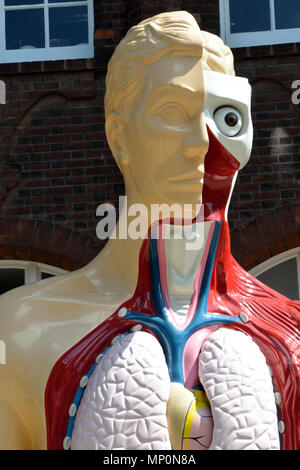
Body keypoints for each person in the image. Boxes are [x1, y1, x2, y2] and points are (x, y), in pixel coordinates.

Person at [0, 11, 299, 450]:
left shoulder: (290, 337)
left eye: (226, 118)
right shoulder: (20, 330)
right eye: (173, 110)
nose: (203, 143)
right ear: (118, 133)